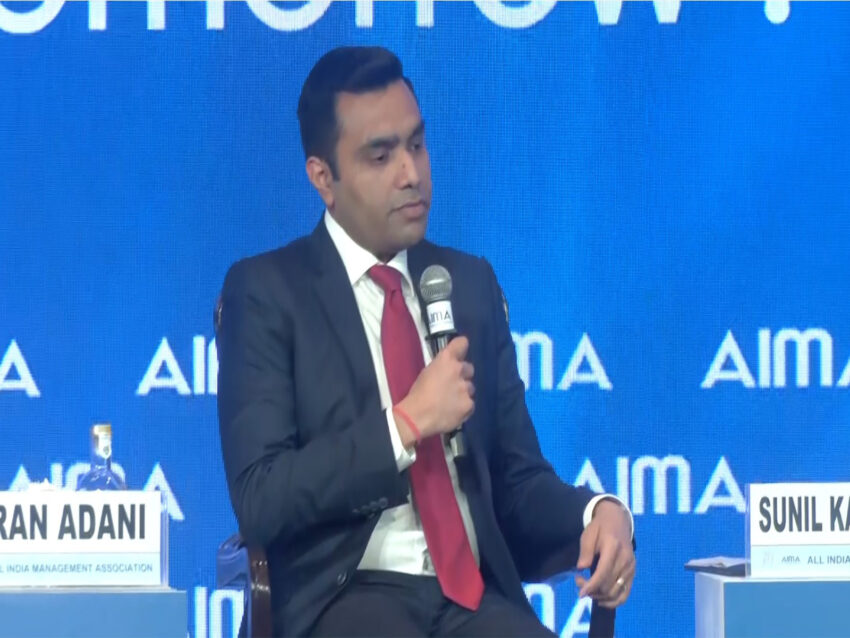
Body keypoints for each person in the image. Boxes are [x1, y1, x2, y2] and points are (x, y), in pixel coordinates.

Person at [217, 46, 635, 638]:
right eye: (380, 156)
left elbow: (517, 483)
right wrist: (407, 424)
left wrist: (599, 513)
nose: (411, 174)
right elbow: (262, 497)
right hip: (343, 600)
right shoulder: (268, 292)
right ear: (323, 178)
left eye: (416, 145)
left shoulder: (468, 285)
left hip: (473, 603)